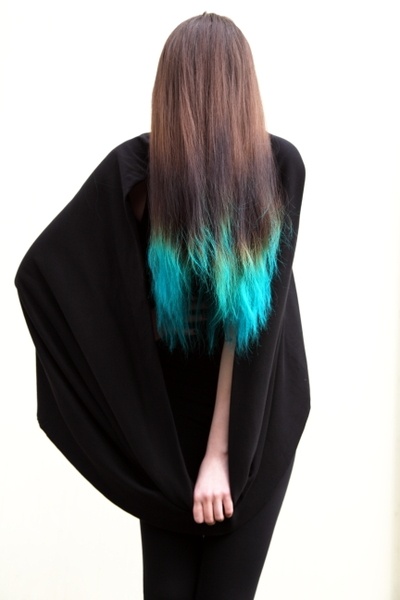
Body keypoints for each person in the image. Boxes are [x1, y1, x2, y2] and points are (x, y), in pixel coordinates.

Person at [15, 13, 310, 600]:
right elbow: (45, 273)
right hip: (169, 436)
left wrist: (221, 455)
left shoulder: (275, 169)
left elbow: (245, 332)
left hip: (251, 421)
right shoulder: (137, 177)